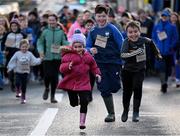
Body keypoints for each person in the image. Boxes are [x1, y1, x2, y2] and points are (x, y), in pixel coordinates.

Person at [86, 4, 124, 122]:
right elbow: (87, 46)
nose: (101, 19)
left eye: (103, 16)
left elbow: (121, 43)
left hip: (113, 62)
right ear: (95, 17)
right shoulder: (92, 31)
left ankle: (115, 86)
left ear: (107, 16)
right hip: (99, 64)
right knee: (104, 88)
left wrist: (123, 60)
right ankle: (111, 113)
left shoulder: (112, 29)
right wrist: (90, 50)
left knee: (115, 87)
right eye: (98, 16)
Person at [57, 32, 101, 129]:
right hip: (71, 82)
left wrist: (97, 74)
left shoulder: (88, 56)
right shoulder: (68, 55)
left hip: (84, 82)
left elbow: (94, 66)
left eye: (80, 46)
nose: (77, 49)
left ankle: (82, 122)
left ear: (83, 46)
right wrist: (67, 66)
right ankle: (74, 101)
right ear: (72, 46)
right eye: (75, 47)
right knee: (73, 103)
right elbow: (61, 68)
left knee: (84, 101)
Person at [120, 20, 162, 122]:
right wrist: (136, 52)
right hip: (127, 71)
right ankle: (125, 110)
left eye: (135, 31)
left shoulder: (143, 40)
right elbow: (123, 55)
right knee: (127, 92)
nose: (133, 34)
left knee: (137, 88)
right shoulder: (126, 42)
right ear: (127, 33)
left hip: (139, 70)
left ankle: (136, 112)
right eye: (130, 32)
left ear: (139, 31)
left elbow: (151, 42)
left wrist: (157, 54)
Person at [37, 13, 69, 103]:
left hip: (57, 57)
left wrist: (68, 46)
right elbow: (40, 42)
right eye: (50, 20)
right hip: (47, 57)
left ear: (56, 21)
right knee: (47, 76)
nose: (51, 22)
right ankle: (47, 88)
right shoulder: (45, 31)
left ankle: (52, 96)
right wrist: (41, 51)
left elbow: (65, 42)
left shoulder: (61, 31)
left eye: (53, 20)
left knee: (54, 77)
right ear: (48, 21)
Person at [7, 39, 42, 104]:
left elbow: (34, 61)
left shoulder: (29, 54)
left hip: (25, 72)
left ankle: (23, 96)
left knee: (24, 85)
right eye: (23, 47)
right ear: (20, 47)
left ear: (28, 47)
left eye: (25, 47)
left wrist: (40, 59)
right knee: (17, 82)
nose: (24, 48)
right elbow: (13, 61)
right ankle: (18, 89)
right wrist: (10, 68)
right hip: (18, 71)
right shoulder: (17, 54)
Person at [152, 10, 178, 93]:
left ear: (168, 17)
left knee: (167, 69)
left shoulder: (172, 27)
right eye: (163, 16)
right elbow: (153, 37)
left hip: (169, 52)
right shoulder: (157, 26)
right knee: (161, 68)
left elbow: (176, 38)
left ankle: (165, 82)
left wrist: (171, 46)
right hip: (160, 52)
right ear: (161, 17)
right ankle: (163, 84)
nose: (164, 17)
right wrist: (156, 46)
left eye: (165, 16)